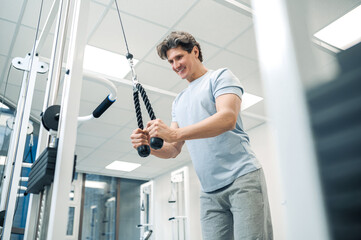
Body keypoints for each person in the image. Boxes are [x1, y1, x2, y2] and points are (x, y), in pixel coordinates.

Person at [130, 31, 273, 240]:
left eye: (179, 57)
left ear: (195, 51)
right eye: (171, 61)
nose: (175, 65)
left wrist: (174, 132)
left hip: (242, 179)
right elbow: (173, 149)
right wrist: (148, 146)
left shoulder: (220, 76)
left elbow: (227, 118)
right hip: (209, 191)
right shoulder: (178, 101)